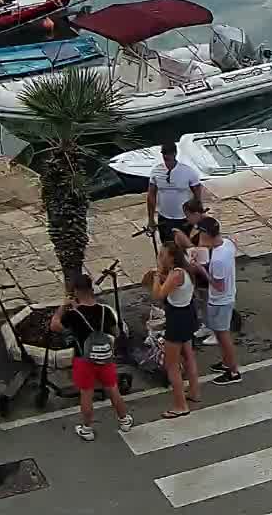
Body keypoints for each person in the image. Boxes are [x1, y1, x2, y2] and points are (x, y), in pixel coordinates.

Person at [46, 271, 133, 441]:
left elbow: (54, 326)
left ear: (76, 291)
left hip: (83, 360)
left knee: (86, 394)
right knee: (113, 390)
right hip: (105, 358)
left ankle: (87, 429)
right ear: (91, 289)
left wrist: (63, 307)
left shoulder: (73, 315)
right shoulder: (105, 311)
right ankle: (124, 420)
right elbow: (115, 332)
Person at [150, 242, 205, 417]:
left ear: (172, 257)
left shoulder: (175, 275)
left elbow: (158, 295)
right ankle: (194, 391)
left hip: (177, 318)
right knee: (188, 354)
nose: (160, 258)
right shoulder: (185, 269)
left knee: (171, 364)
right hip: (188, 313)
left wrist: (157, 276)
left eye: (163, 255)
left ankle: (180, 405)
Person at [195, 216, 243, 385]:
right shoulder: (227, 244)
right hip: (227, 296)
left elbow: (218, 286)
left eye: (200, 233)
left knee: (223, 336)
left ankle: (233, 371)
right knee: (221, 334)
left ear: (206, 234)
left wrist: (201, 269)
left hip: (220, 300)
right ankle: (226, 363)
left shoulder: (218, 260)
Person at [146, 141, 207, 251]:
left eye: (168, 153)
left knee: (184, 246)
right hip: (164, 217)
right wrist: (151, 219)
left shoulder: (188, 172)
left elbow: (197, 196)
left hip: (183, 218)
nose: (166, 156)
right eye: (164, 153)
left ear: (175, 154)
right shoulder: (156, 172)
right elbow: (151, 196)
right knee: (167, 246)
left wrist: (197, 216)